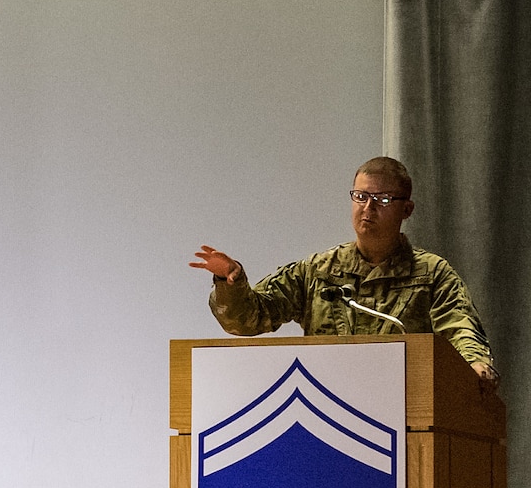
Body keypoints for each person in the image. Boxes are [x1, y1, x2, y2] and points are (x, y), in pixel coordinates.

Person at [189, 156, 498, 388]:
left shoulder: (431, 274)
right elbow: (247, 320)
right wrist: (230, 280)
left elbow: (460, 329)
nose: (368, 208)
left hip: (406, 415)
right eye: (361, 197)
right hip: (324, 410)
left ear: (406, 210)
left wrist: (475, 365)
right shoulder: (318, 271)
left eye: (383, 200)